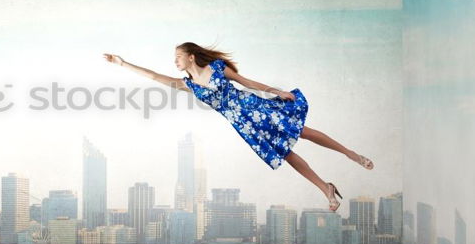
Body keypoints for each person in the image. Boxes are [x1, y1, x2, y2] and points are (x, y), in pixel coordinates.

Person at [103, 42, 374, 212]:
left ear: (190, 56)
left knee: (302, 131)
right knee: (285, 154)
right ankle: (325, 188)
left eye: (177, 56)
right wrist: (123, 63)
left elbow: (247, 82)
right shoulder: (189, 84)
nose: (174, 61)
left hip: (255, 107)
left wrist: (275, 91)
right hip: (242, 123)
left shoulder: (218, 68)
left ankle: (349, 153)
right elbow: (153, 76)